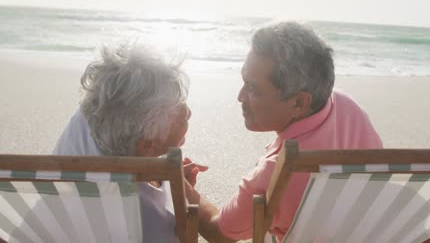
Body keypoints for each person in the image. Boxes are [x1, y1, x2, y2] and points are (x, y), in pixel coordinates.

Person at [184, 22, 383, 242]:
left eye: (253, 89)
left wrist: (181, 186)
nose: (240, 97)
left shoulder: (275, 173)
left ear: (299, 102)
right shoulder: (347, 106)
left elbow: (220, 232)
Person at [52, 42, 207, 243]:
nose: (189, 113)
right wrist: (177, 192)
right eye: (181, 117)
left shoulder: (94, 112)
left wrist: (163, 177)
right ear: (148, 146)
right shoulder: (151, 223)